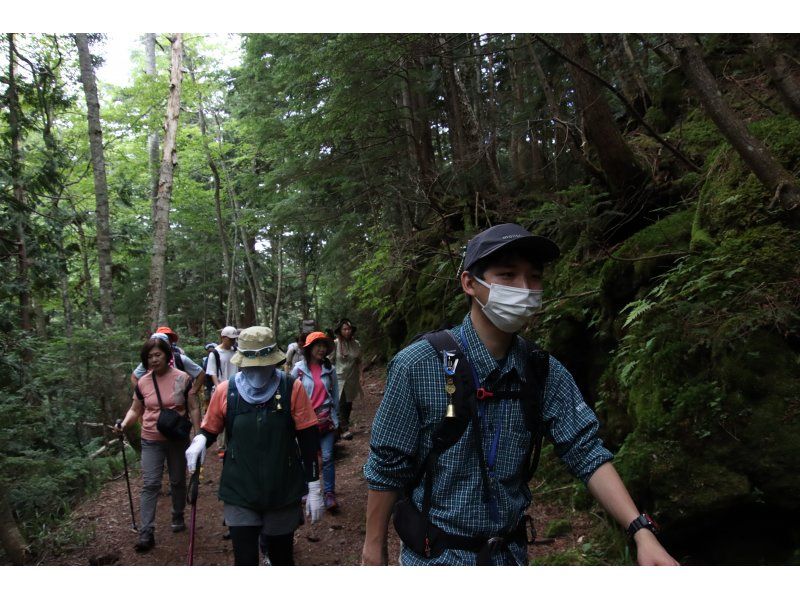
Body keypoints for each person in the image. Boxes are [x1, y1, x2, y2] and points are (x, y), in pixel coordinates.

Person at [362, 222, 679, 566]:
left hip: (510, 558)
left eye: (534, 278)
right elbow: (388, 467)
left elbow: (585, 450)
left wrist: (640, 530)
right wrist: (372, 551)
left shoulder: (542, 371)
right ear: (469, 283)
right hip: (436, 558)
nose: (525, 289)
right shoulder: (418, 365)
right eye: (508, 275)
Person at [185, 326, 324, 565]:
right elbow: (211, 428)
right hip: (240, 487)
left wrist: (314, 485)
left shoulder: (292, 388)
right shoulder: (226, 391)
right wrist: (199, 441)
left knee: (282, 558)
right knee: (245, 560)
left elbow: (308, 437)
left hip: (283, 488)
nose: (259, 369)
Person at [115, 335, 201, 552]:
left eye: (157, 355)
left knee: (177, 480)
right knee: (150, 484)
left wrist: (199, 435)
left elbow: (193, 407)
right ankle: (146, 532)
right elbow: (136, 409)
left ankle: (177, 514)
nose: (154, 359)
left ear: (167, 355)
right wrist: (124, 424)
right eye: (149, 356)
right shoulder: (143, 382)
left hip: (177, 439)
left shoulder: (182, 378)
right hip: (151, 438)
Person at [291, 331, 340, 512]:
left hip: (326, 419)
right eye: (317, 346)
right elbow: (291, 395)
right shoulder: (298, 370)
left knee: (327, 457)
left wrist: (338, 420)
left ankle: (329, 493)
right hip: (305, 422)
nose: (321, 349)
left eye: (324, 346)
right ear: (309, 348)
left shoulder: (330, 369)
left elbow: (335, 395)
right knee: (307, 457)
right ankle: (307, 488)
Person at [130, 326, 206, 401]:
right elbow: (134, 377)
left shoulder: (179, 358)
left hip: (180, 402)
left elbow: (200, 373)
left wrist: (192, 392)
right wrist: (141, 396)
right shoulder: (149, 361)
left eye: (169, 339)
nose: (154, 359)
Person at [206, 326, 240, 459]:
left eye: (234, 339)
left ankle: (233, 443)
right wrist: (218, 387)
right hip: (221, 389)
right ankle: (221, 447)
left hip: (236, 388)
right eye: (230, 339)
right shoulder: (214, 353)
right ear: (223, 338)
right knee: (221, 418)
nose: (232, 342)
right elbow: (212, 372)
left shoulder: (236, 351)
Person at [331, 318, 363, 440]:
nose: (347, 331)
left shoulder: (356, 344)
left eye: (349, 329)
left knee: (349, 403)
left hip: (352, 378)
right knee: (341, 402)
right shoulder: (335, 344)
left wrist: (361, 376)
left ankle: (344, 424)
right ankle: (344, 429)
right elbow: (330, 361)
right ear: (340, 330)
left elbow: (359, 361)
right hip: (339, 378)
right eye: (344, 329)